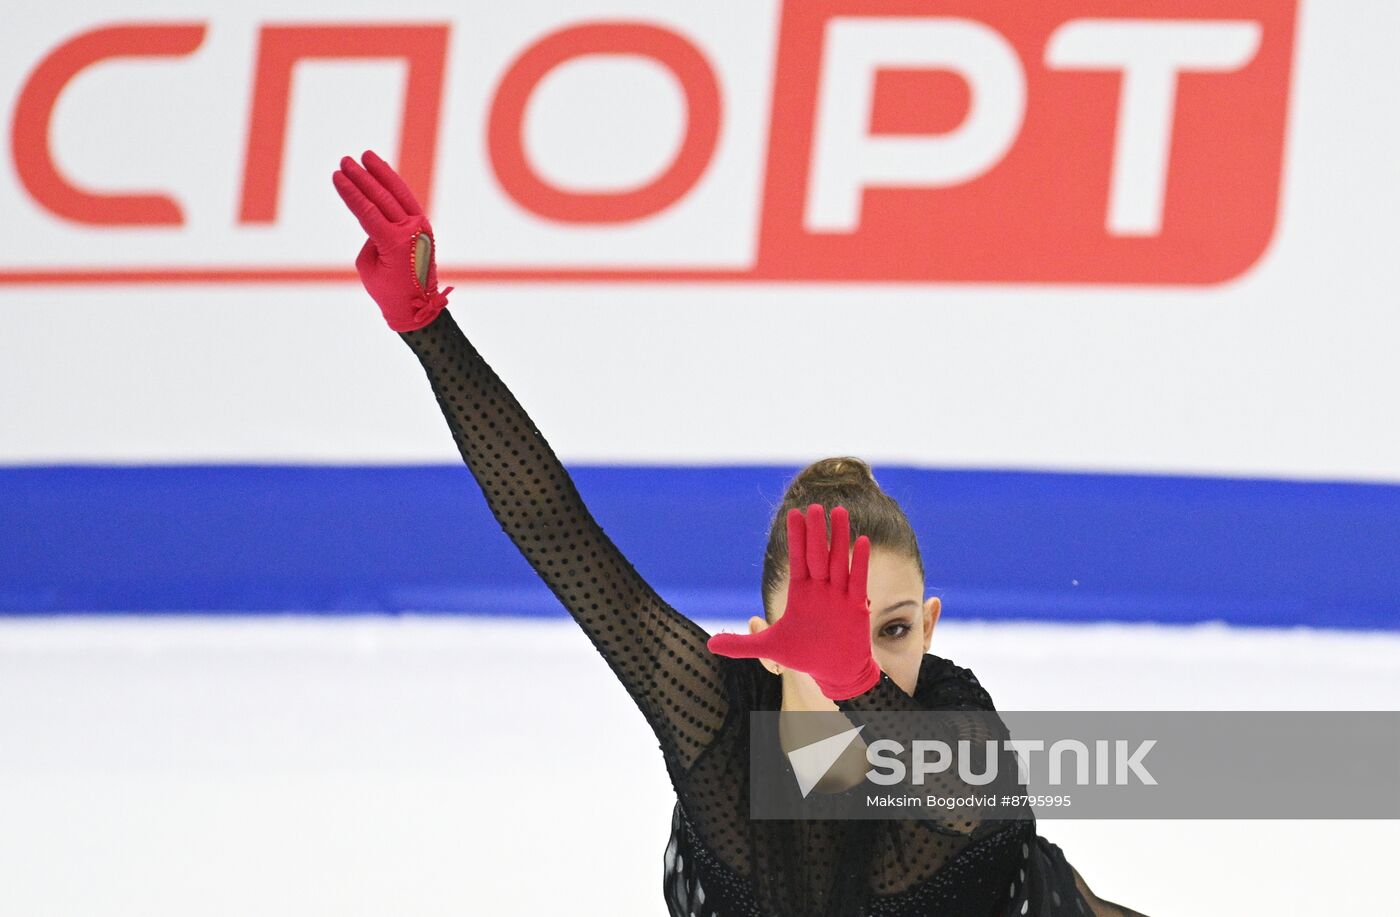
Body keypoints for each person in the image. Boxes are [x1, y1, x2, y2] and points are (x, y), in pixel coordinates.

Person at [331, 150, 1146, 917]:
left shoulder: (957, 725)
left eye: (891, 630)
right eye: (820, 631)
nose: (860, 656)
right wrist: (426, 326)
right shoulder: (718, 722)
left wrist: (857, 682)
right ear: (764, 638)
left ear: (929, 627)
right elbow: (558, 533)